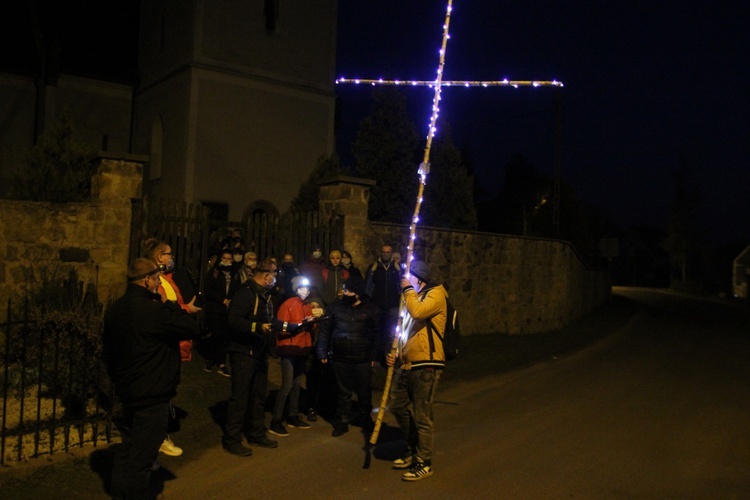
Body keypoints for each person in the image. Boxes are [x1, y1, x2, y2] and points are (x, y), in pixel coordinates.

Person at [103, 258, 200, 499]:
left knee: (128, 448)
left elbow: (109, 352)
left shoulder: (116, 308)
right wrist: (170, 304)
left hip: (128, 389)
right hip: (152, 393)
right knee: (143, 457)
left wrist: (119, 380)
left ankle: (119, 493)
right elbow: (190, 326)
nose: (159, 283)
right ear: (147, 280)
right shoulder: (154, 311)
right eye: (157, 279)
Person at [222, 258, 306, 456]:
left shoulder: (264, 295)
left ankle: (256, 433)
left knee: (258, 396)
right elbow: (233, 320)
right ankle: (232, 439)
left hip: (259, 352)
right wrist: (257, 327)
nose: (276, 278)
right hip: (244, 353)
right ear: (267, 275)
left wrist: (290, 327)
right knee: (240, 397)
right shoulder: (246, 293)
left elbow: (268, 320)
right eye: (275, 273)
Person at [386, 260, 447, 482]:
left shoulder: (436, 294)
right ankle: (413, 448)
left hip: (427, 363)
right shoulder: (412, 297)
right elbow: (406, 332)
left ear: (419, 279)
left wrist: (408, 290)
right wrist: (398, 353)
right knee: (397, 404)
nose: (405, 280)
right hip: (408, 363)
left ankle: (424, 461)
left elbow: (419, 313)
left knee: (423, 414)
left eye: (409, 277)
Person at [143, 238, 201, 457]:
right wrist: (187, 310)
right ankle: (158, 437)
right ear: (159, 257)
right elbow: (166, 311)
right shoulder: (157, 280)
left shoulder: (165, 278)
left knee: (165, 390)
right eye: (169, 254)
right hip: (166, 343)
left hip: (172, 341)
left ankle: (159, 432)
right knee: (161, 391)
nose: (172, 258)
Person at [317, 275, 380, 437]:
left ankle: (365, 419)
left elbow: (377, 334)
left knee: (364, 391)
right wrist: (322, 350)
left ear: (358, 293)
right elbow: (325, 330)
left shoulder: (371, 309)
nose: (344, 292)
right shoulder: (335, 308)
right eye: (344, 289)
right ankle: (342, 421)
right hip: (341, 357)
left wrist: (375, 356)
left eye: (348, 290)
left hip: (363, 358)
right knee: (343, 392)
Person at [269, 276, 315, 437]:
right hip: (289, 348)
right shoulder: (288, 304)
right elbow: (281, 328)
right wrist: (298, 326)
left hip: (301, 349)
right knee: (287, 385)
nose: (305, 291)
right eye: (302, 288)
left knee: (296, 384)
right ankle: (275, 420)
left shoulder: (307, 305)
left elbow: (310, 327)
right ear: (296, 289)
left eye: (307, 289)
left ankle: (292, 416)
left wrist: (312, 322)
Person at [202, 249, 241, 377]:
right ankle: (211, 359)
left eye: (229, 258)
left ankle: (221, 362)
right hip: (215, 308)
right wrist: (221, 299)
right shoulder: (215, 271)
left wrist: (232, 300)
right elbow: (208, 289)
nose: (227, 261)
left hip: (227, 309)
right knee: (215, 334)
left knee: (224, 335)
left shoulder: (235, 272)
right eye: (225, 258)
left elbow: (237, 288)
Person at [364, 244, 402, 362]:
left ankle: (388, 357)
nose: (386, 254)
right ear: (380, 253)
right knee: (376, 332)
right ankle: (375, 357)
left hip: (392, 307)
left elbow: (401, 287)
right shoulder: (373, 268)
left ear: (391, 253)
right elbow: (368, 288)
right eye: (384, 252)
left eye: (388, 252)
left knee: (391, 333)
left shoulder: (397, 269)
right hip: (377, 306)